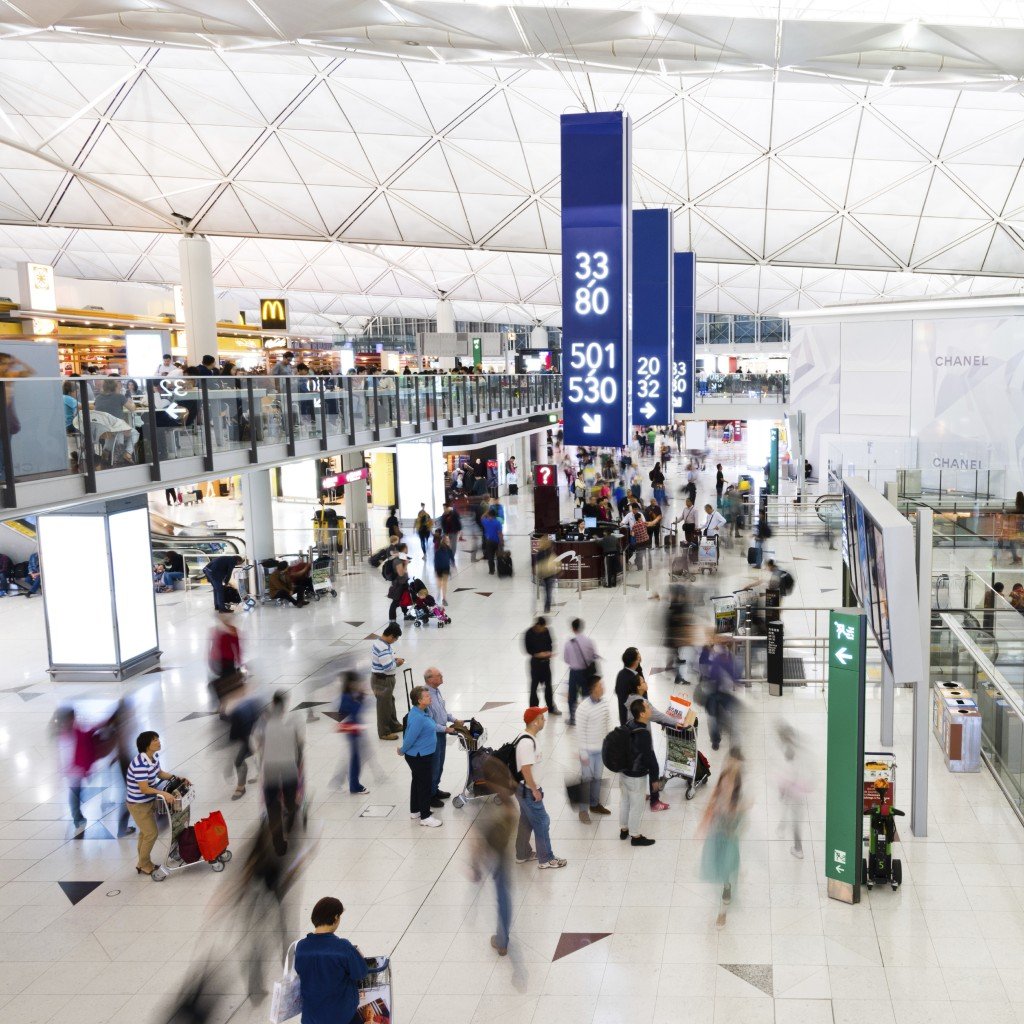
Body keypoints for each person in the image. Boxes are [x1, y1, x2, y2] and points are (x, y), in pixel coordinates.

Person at [471, 757, 518, 957]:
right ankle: (502, 939)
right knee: (504, 896)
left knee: (501, 895)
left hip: (494, 854)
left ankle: (501, 940)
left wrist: (475, 866)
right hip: (505, 853)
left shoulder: (488, 807)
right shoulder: (509, 802)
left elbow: (479, 842)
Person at [294, 897, 367, 1024]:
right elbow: (360, 973)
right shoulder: (342, 947)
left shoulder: (301, 947)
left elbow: (300, 970)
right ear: (335, 917)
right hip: (341, 1016)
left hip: (311, 1017)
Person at [126, 730, 188, 876]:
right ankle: (143, 864)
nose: (158, 741)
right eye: (155, 740)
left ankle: (143, 862)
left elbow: (159, 773)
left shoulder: (152, 758)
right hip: (138, 804)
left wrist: (178, 778)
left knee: (145, 833)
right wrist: (164, 793)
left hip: (147, 800)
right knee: (151, 833)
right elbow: (144, 788)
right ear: (146, 745)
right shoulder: (140, 764)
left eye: (158, 739)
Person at [513, 707, 566, 869]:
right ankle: (546, 859)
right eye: (542, 718)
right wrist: (534, 789)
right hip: (528, 790)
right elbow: (526, 769)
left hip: (523, 789)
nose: (544, 720)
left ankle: (522, 854)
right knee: (543, 821)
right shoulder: (527, 743)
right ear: (535, 722)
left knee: (526, 821)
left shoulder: (524, 737)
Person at [699, 748, 747, 927]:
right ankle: (727, 880)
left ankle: (723, 911)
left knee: (727, 870)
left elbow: (736, 810)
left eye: (736, 764)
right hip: (717, 829)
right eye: (730, 762)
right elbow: (714, 799)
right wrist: (705, 821)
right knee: (717, 864)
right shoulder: (724, 776)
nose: (732, 766)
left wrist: (740, 808)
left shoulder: (739, 784)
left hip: (729, 831)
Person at [256, 690, 305, 855]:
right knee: (291, 802)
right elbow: (300, 744)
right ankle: (291, 823)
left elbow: (257, 745)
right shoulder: (293, 721)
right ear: (285, 705)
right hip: (288, 768)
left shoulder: (263, 722)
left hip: (270, 769)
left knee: (272, 807)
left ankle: (278, 844)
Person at [397, 685, 441, 827]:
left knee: (417, 781)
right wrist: (402, 750)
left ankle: (415, 810)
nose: (430, 697)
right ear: (419, 700)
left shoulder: (422, 711)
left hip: (421, 755)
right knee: (424, 784)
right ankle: (425, 817)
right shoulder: (418, 717)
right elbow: (409, 738)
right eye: (427, 696)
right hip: (418, 756)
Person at [618, 700, 659, 847]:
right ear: (642, 714)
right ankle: (635, 836)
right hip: (636, 776)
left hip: (624, 772)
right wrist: (655, 778)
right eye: (648, 707)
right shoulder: (644, 733)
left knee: (625, 801)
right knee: (637, 805)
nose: (650, 708)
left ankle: (624, 829)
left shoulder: (629, 724)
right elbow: (649, 758)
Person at [424, 666, 463, 807]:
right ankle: (430, 795)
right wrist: (446, 729)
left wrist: (454, 720)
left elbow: (442, 712)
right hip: (433, 736)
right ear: (430, 679)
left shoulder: (436, 691)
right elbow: (428, 723)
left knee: (440, 764)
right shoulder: (426, 696)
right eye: (439, 675)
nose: (442, 676)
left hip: (441, 734)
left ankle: (435, 789)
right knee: (434, 766)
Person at [574, 676, 611, 823]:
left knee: (597, 778)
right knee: (586, 780)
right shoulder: (583, 708)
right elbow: (580, 732)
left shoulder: (604, 704)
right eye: (599, 685)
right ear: (592, 689)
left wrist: (609, 742)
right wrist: (583, 753)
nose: (602, 687)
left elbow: (607, 723)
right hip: (588, 752)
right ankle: (583, 811)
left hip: (600, 749)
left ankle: (595, 805)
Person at [369, 623, 405, 740]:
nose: (395, 641)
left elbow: (385, 660)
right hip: (382, 680)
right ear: (391, 636)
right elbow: (388, 667)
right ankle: (384, 732)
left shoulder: (380, 643)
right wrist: (398, 663)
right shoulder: (383, 647)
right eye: (395, 638)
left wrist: (394, 659)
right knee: (383, 706)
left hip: (382, 679)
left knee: (389, 702)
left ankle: (394, 725)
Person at [337, 671, 370, 796]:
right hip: (352, 730)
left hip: (354, 729)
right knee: (355, 758)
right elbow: (353, 711)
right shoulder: (346, 696)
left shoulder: (348, 694)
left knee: (356, 757)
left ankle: (353, 784)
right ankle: (354, 785)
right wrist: (360, 699)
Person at [562, 618, 598, 726]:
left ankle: (573, 718)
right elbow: (593, 656)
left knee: (572, 696)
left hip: (574, 673)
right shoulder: (589, 641)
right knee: (586, 694)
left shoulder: (569, 643)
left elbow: (566, 659)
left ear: (573, 629)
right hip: (586, 672)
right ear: (582, 627)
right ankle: (588, 717)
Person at [523, 616, 560, 714]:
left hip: (546, 664)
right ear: (538, 625)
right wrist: (538, 654)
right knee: (534, 687)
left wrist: (549, 653)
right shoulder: (529, 633)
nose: (544, 629)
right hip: (535, 664)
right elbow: (527, 649)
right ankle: (533, 709)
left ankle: (551, 707)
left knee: (548, 686)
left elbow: (550, 643)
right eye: (542, 627)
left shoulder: (546, 631)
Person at [614, 646, 643, 725]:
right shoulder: (633, 679)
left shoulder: (621, 674)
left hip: (623, 715)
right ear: (634, 660)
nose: (640, 656)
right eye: (638, 655)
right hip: (632, 719)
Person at [534, 534, 559, 613]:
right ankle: (547, 606)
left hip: (542, 574)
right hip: (550, 574)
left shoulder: (539, 553)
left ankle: (547, 605)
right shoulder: (550, 551)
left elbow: (537, 564)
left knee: (546, 591)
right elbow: (556, 561)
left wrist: (538, 573)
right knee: (548, 591)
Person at [433, 533, 454, 606]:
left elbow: (435, 560)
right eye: (447, 539)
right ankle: (443, 598)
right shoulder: (448, 549)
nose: (448, 540)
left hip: (440, 568)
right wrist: (453, 565)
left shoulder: (438, 549)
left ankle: (440, 594)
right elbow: (451, 558)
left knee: (441, 582)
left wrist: (435, 569)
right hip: (444, 568)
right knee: (444, 584)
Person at [481, 507, 504, 575]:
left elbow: (482, 517)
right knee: (499, 556)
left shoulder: (486, 521)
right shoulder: (498, 523)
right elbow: (500, 533)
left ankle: (491, 570)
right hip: (497, 541)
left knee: (490, 557)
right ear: (495, 515)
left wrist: (486, 512)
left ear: (488, 515)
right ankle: (500, 570)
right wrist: (502, 541)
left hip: (488, 541)